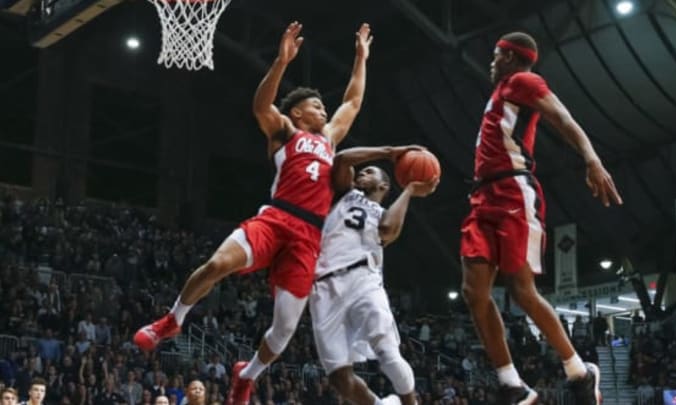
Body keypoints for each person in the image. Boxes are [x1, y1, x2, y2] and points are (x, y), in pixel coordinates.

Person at [134, 20, 373, 405]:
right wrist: (280, 63)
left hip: (309, 236)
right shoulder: (284, 132)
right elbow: (261, 105)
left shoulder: (329, 139)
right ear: (296, 113)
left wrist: (361, 59)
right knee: (216, 264)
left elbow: (353, 103)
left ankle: (246, 376)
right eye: (315, 105)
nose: (323, 108)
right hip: (276, 218)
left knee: (284, 330)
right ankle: (172, 320)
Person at [459, 32, 623, 405]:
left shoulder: (523, 81)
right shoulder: (500, 92)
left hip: (514, 192)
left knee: (522, 289)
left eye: (495, 54)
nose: (491, 61)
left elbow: (563, 117)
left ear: (511, 57)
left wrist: (591, 158)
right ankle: (512, 385)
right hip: (482, 196)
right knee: (474, 293)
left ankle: (580, 372)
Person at [310, 146, 438, 405]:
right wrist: (389, 152)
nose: (361, 175)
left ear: (383, 186)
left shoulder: (384, 213)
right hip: (323, 287)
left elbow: (388, 231)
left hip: (363, 279)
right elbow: (343, 159)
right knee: (338, 378)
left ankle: (410, 402)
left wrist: (410, 190)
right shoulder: (343, 195)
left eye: (369, 173)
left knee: (387, 354)